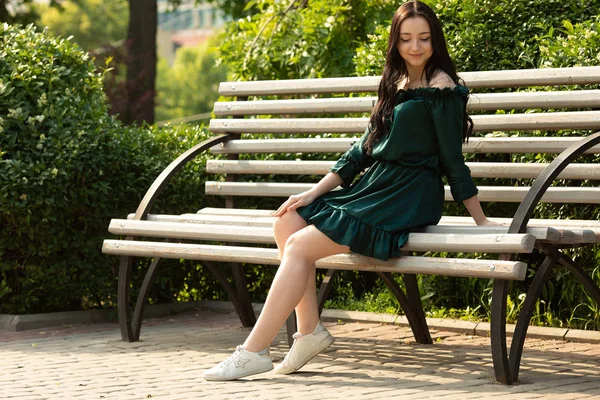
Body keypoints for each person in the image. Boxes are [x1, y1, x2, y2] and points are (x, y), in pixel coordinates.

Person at [204, 0, 498, 381]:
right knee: (287, 221)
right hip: (376, 186)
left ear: (434, 40)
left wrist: (481, 220)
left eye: (423, 38)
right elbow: (361, 150)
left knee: (298, 247)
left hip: (409, 194)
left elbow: (452, 161)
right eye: (406, 38)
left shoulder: (444, 89)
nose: (415, 47)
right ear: (396, 42)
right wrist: (312, 193)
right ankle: (308, 333)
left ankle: (254, 350)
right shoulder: (395, 83)